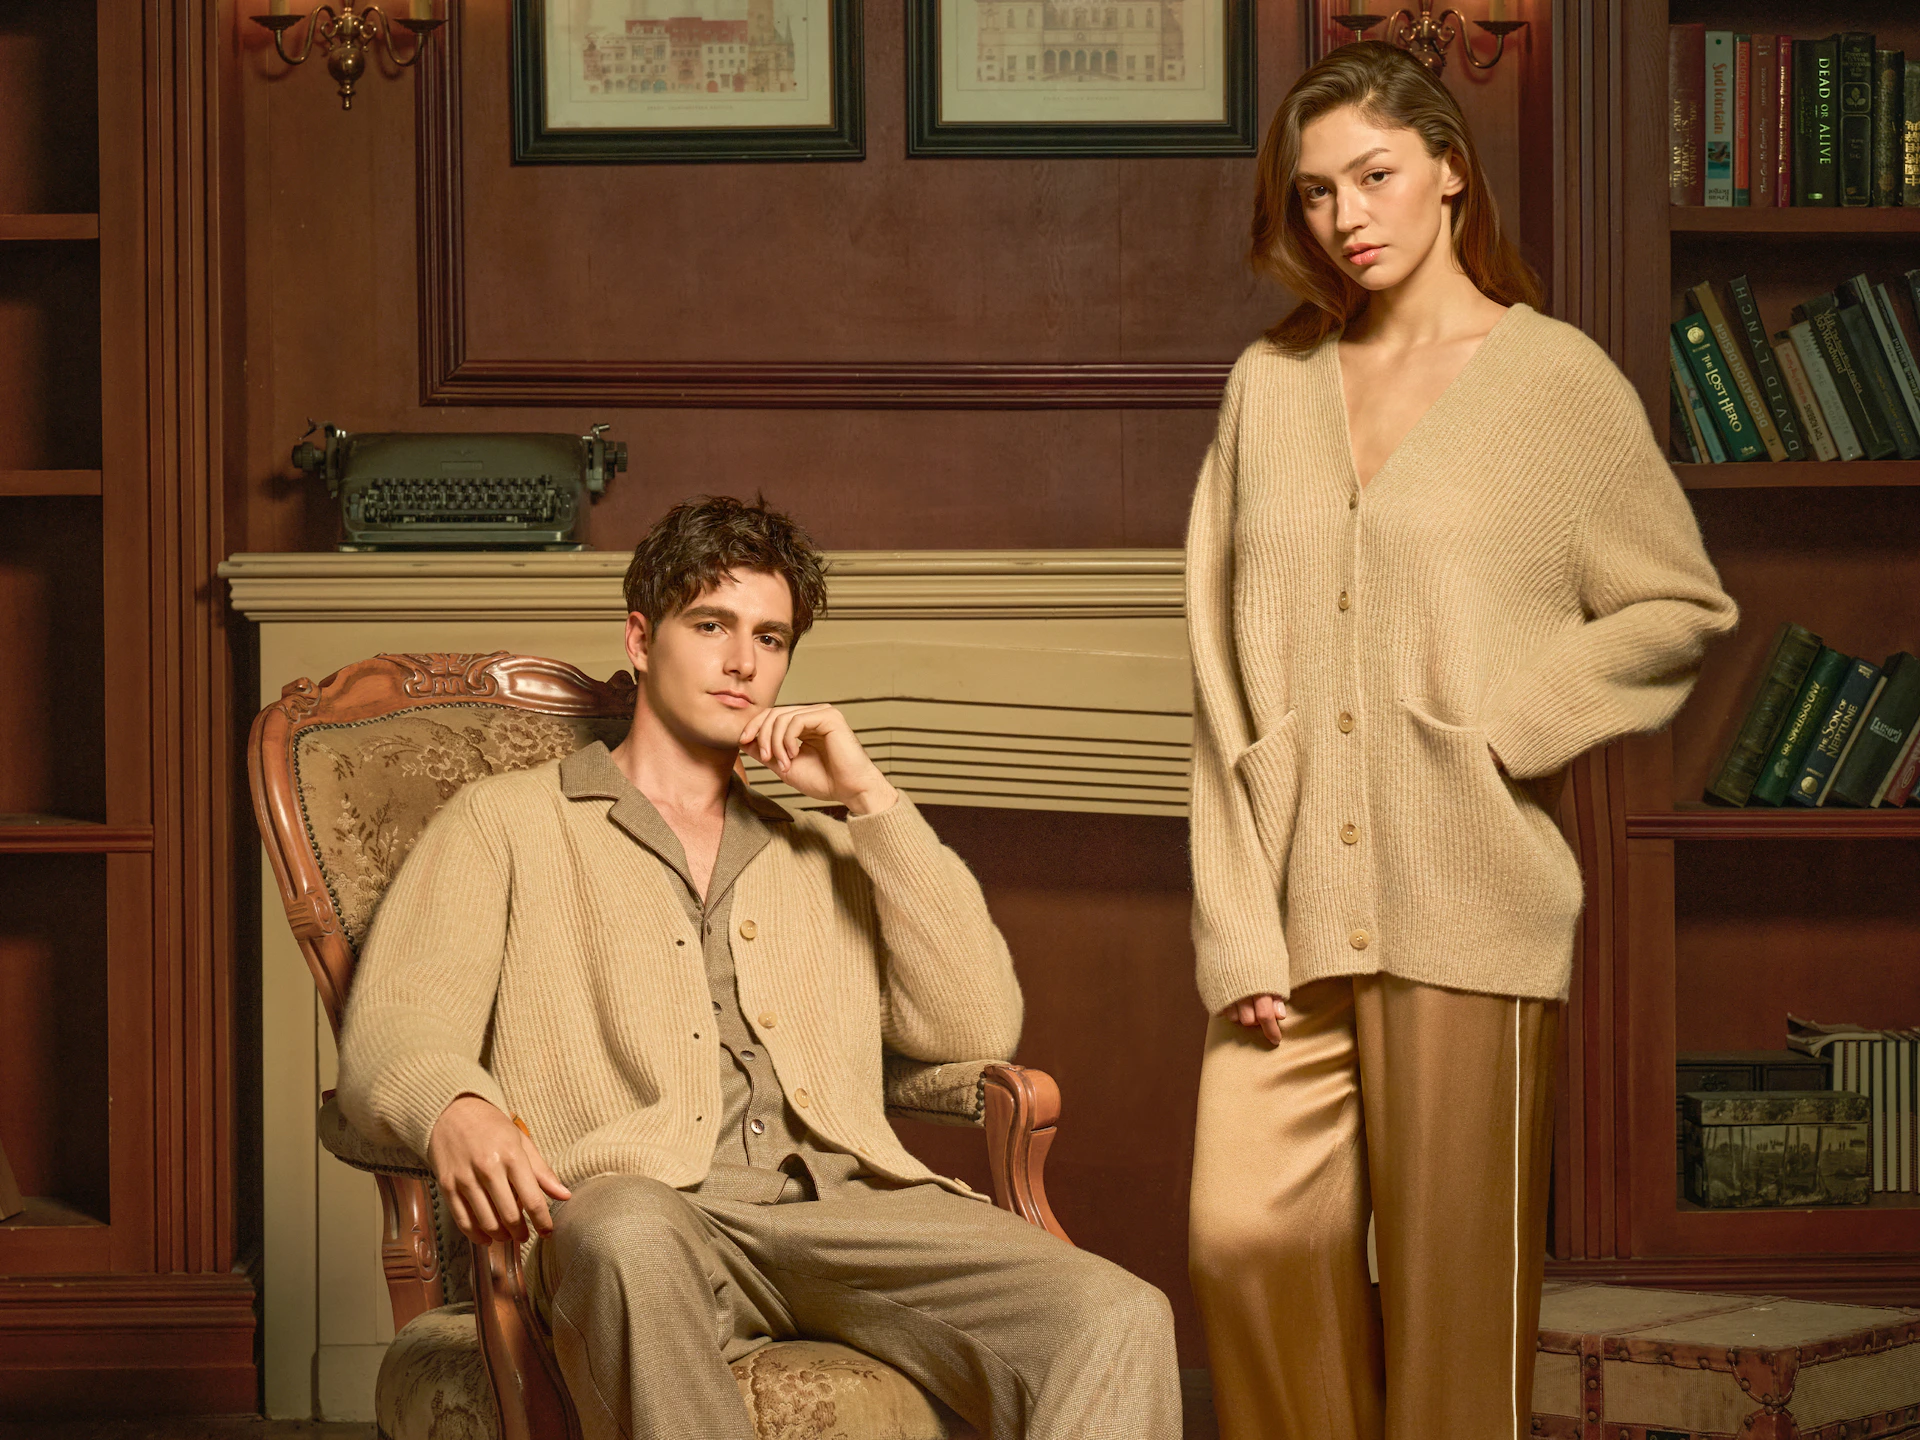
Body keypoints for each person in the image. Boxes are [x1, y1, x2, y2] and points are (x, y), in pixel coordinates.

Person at [337, 495, 1180, 1440]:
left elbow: (972, 1029)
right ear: (641, 636)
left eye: (771, 638)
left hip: (847, 1208)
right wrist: (456, 1106)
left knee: (1116, 1316)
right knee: (625, 1237)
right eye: (712, 625)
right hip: (640, 1214)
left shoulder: (818, 844)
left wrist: (873, 802)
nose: (744, 662)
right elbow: (395, 1027)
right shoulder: (508, 822)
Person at [1182, 42, 1738, 1440]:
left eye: (1373, 176)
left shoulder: (1553, 383)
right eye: (1313, 195)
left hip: (1473, 903)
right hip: (1293, 907)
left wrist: (1505, 728)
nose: (1345, 217)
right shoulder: (1270, 387)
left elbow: (1676, 601)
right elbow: (1213, 681)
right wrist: (1239, 928)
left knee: (1453, 1308)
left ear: (1447, 170)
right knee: (1244, 1243)